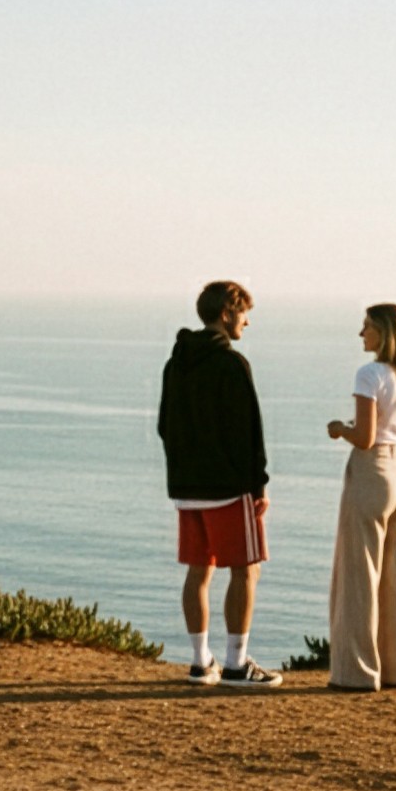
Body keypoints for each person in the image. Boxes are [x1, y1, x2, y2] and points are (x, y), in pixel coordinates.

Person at [158, 279, 278, 686]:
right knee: (246, 570)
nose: (246, 322)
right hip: (227, 487)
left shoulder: (175, 364)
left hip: (186, 488)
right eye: (244, 313)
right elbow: (250, 433)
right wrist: (258, 485)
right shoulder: (232, 364)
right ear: (227, 312)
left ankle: (199, 661)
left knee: (198, 571)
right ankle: (235, 663)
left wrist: (183, 468)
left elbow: (163, 426)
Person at [324, 301, 396, 692]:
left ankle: (356, 674)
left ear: (383, 333)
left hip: (372, 474)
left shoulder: (369, 375)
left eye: (366, 326)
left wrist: (341, 428)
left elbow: (366, 438)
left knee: (358, 576)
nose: (361, 334)